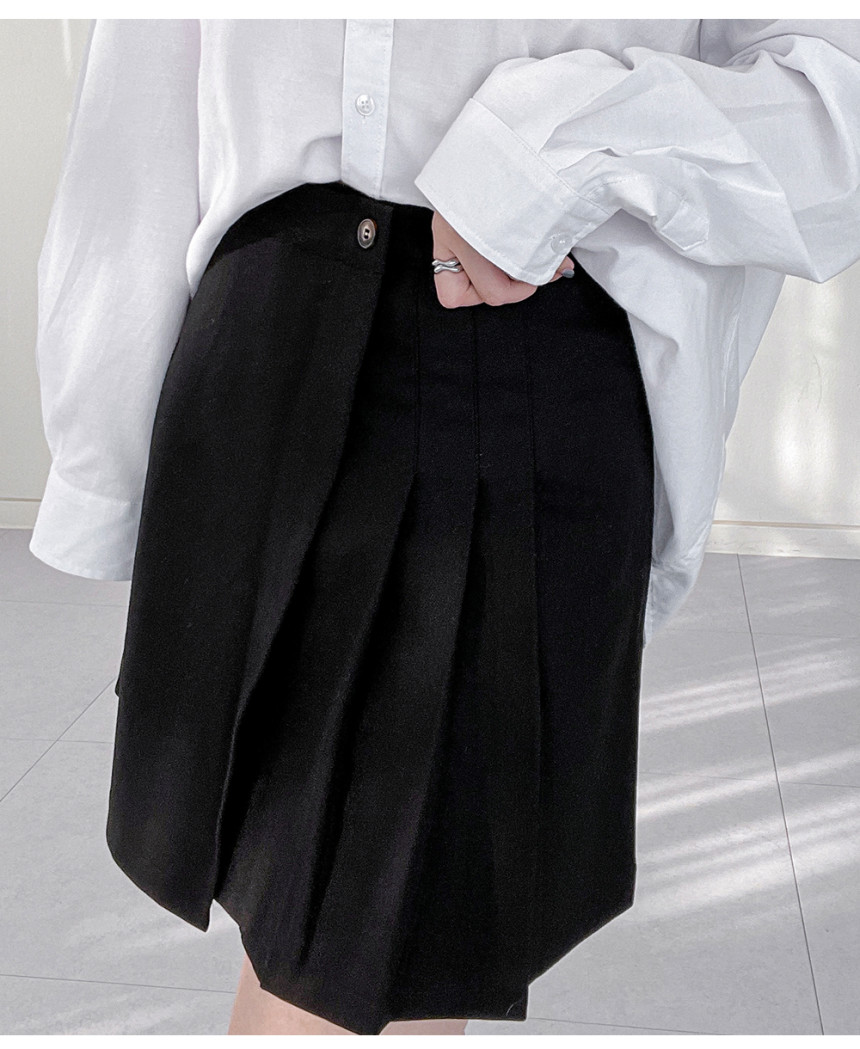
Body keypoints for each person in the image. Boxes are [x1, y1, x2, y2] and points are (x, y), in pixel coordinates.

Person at [29, 18, 860, 1037]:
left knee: (367, 948)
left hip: (507, 337)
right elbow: (145, 83)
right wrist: (104, 445)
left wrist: (549, 150)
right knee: (309, 925)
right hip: (254, 339)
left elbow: (836, 100)